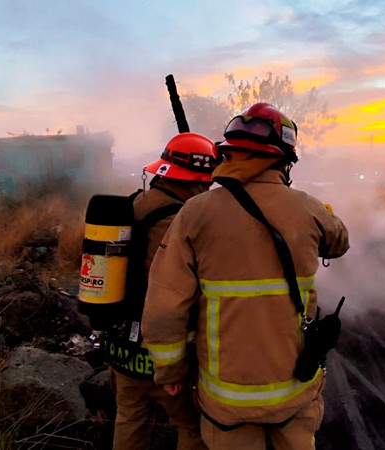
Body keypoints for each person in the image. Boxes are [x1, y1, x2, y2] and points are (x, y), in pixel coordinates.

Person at [141, 103, 349, 449]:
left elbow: (165, 305)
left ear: (230, 155)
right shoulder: (309, 208)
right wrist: (321, 212)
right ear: (285, 161)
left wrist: (170, 372)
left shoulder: (195, 213)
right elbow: (338, 242)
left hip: (226, 403)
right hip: (295, 391)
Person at [111, 132, 218, 450]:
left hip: (123, 343)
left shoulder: (134, 205)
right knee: (194, 426)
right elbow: (180, 295)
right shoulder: (183, 222)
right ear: (196, 180)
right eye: (206, 182)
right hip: (167, 351)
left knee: (129, 419)